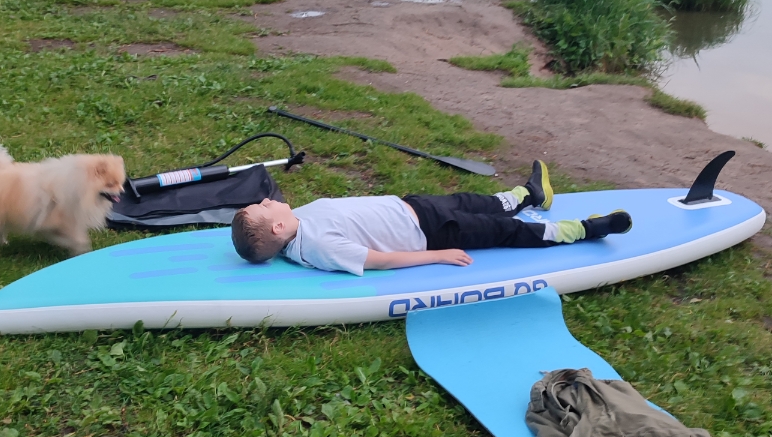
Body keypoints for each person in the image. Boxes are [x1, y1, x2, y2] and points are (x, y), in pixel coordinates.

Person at [230, 161, 633, 274]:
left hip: (415, 207)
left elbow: (263, 242)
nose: (267, 199)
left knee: (479, 201)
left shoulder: (292, 229)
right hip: (432, 232)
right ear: (279, 227)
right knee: (504, 231)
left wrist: (259, 239)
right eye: (263, 207)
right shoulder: (317, 247)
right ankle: (585, 229)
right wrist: (437, 256)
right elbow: (378, 260)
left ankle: (530, 194)